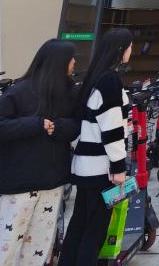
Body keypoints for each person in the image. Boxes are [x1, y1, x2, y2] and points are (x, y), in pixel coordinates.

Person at [0, 39, 79, 266]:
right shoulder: (21, 90)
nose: (74, 62)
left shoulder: (70, 92)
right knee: (7, 249)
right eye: (71, 58)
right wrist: (35, 124)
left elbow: (77, 125)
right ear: (58, 61)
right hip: (20, 185)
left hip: (52, 184)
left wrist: (59, 127)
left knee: (39, 249)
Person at [58, 28, 133, 266]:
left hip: (85, 167)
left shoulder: (95, 78)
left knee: (80, 223)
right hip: (102, 169)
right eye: (130, 46)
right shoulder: (110, 80)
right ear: (121, 49)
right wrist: (118, 167)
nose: (131, 51)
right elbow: (112, 129)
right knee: (95, 229)